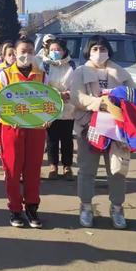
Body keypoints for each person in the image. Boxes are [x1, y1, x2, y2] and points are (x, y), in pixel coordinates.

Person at [70, 35, 136, 230]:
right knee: (87, 170)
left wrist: (121, 103)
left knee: (117, 170)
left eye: (103, 48)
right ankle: (86, 206)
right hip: (88, 127)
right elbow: (76, 96)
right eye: (95, 49)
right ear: (88, 51)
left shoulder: (121, 72)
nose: (99, 52)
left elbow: (133, 95)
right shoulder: (81, 72)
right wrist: (100, 103)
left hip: (117, 129)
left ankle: (117, 208)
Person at [0, 38, 47, 229]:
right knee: (13, 170)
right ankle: (15, 209)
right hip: (12, 128)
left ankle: (32, 208)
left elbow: (48, 101)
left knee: (33, 170)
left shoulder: (41, 75)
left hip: (36, 129)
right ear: (14, 52)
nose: (27, 54)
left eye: (31, 51)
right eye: (23, 50)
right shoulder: (5, 75)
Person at [42, 39, 76, 180]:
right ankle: (53, 166)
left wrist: (67, 94)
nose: (55, 52)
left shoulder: (71, 65)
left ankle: (67, 166)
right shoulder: (44, 65)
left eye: (58, 50)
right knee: (52, 139)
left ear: (64, 51)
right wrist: (55, 94)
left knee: (67, 139)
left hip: (68, 107)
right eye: (52, 50)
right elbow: (42, 85)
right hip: (51, 106)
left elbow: (76, 84)